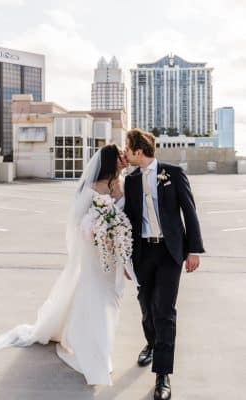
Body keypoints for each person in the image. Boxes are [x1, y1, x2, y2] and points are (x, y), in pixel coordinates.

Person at [0, 144, 138, 386]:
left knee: (111, 301)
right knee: (95, 300)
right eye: (120, 155)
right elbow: (77, 221)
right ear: (111, 161)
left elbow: (127, 218)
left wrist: (116, 238)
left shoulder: (125, 184)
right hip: (93, 254)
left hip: (113, 256)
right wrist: (97, 230)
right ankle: (95, 354)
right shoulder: (91, 188)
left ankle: (100, 345)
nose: (124, 157)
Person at [124, 128, 205, 400]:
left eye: (127, 148)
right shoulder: (131, 180)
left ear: (138, 151)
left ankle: (162, 374)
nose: (125, 152)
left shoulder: (172, 173)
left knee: (165, 311)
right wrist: (124, 256)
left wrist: (193, 250)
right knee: (145, 304)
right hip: (142, 253)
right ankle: (150, 343)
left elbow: (189, 211)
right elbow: (128, 220)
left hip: (170, 252)